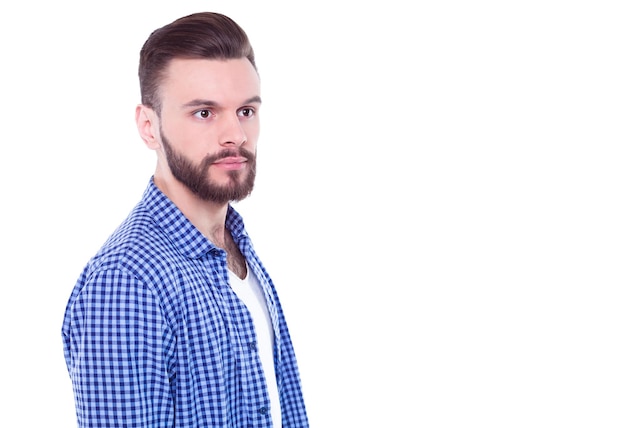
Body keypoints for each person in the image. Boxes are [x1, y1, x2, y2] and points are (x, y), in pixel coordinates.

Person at [61, 12, 309, 427]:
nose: (235, 135)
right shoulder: (127, 280)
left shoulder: (232, 245)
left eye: (246, 111)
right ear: (148, 127)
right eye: (204, 113)